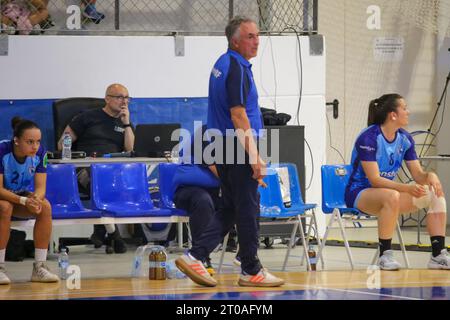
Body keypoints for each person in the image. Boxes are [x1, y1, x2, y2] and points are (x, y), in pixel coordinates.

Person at [175, 16, 284, 287]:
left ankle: (196, 255)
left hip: (222, 146)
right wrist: (255, 156)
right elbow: (238, 115)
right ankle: (251, 268)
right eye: (250, 36)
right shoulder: (235, 67)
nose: (256, 41)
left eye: (257, 36)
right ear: (235, 41)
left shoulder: (222, 64)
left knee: (231, 208)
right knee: (246, 208)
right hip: (236, 146)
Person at [345, 93, 450, 271]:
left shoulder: (405, 139)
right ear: (393, 115)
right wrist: (407, 188)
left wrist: (430, 176)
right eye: (405, 108)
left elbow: (418, 174)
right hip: (359, 193)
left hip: (388, 196)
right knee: (392, 195)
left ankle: (438, 255)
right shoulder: (369, 138)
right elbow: (375, 180)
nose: (408, 112)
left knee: (434, 193)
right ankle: (385, 256)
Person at [58, 83, 135, 254]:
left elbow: (130, 150)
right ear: (107, 98)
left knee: (112, 180)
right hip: (84, 168)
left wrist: (127, 124)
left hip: (112, 170)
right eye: (120, 97)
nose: (124, 101)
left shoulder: (124, 122)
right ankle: (113, 235)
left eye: (127, 98)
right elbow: (62, 143)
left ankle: (101, 231)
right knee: (97, 180)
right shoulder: (87, 117)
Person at [0, 117, 60, 285]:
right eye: (30, 142)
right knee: (4, 207)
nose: (35, 146)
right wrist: (24, 200)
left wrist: (35, 199)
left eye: (38, 142)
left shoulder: (41, 154)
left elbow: (41, 188)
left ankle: (39, 267)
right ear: (16, 141)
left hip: (19, 196)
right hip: (4, 197)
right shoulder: (2, 151)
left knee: (45, 206)